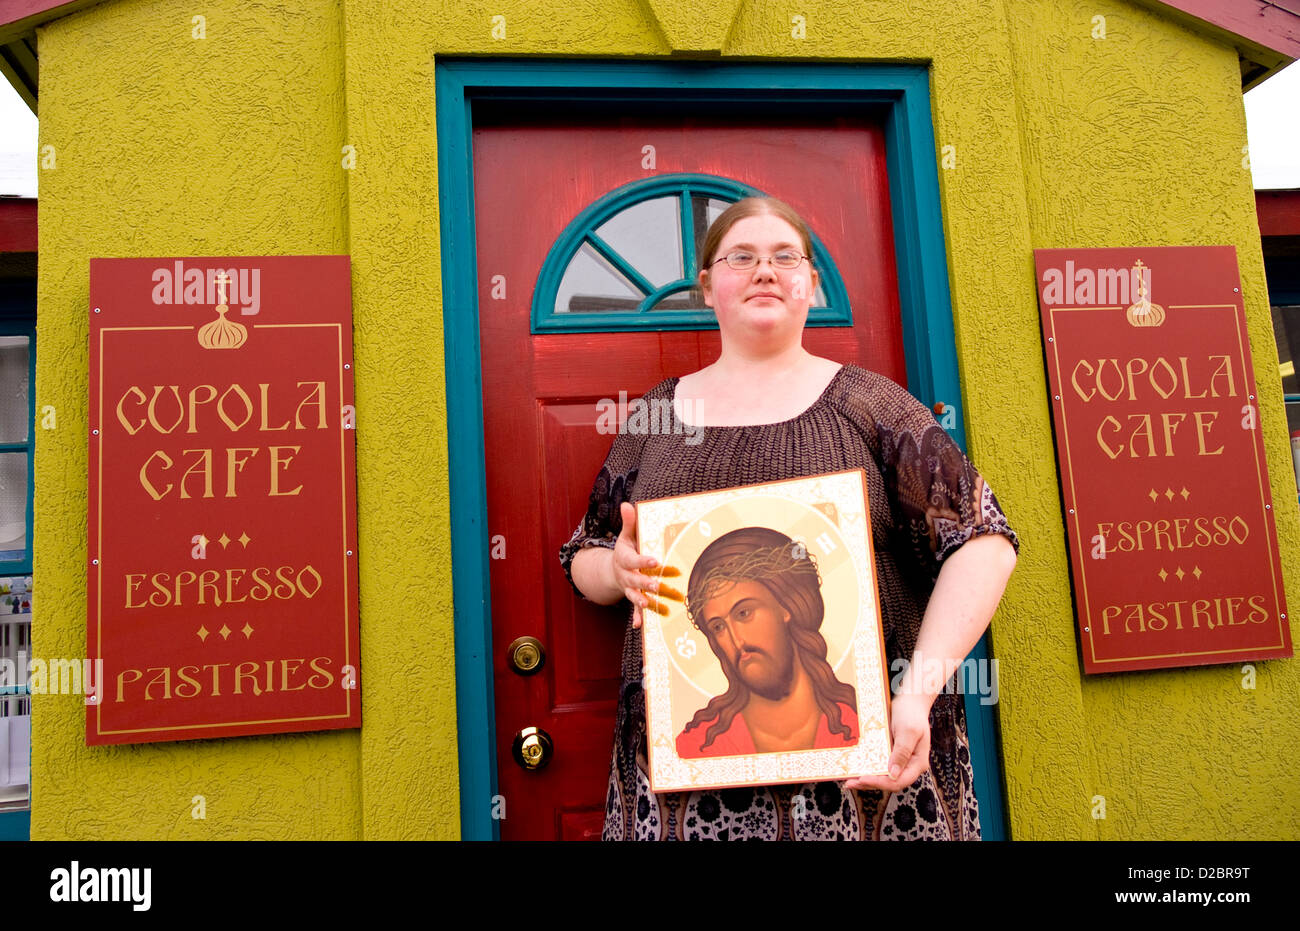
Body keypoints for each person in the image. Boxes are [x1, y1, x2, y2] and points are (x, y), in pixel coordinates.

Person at [559, 196, 1019, 841]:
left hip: (865, 770)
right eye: (741, 257)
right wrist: (616, 568)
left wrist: (916, 692)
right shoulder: (656, 415)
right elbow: (586, 556)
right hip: (684, 784)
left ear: (811, 284)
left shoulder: (871, 404)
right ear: (707, 286)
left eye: (785, 257)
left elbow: (982, 542)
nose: (765, 272)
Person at [676, 527, 859, 759]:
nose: (736, 641)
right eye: (718, 627)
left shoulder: (861, 727)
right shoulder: (696, 746)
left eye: (744, 613)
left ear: (787, 606)